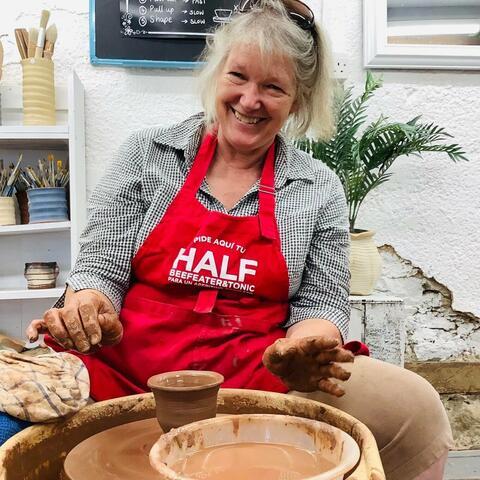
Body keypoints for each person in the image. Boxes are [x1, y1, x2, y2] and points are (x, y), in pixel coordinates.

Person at [27, 1, 452, 478]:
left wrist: (304, 351)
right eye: (238, 77)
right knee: (14, 416)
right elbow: (102, 264)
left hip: (259, 374)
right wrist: (88, 303)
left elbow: (320, 304)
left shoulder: (318, 185)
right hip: (125, 369)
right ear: (215, 74)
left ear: (299, 99)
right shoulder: (149, 153)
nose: (251, 101)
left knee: (416, 411)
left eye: (273, 87)